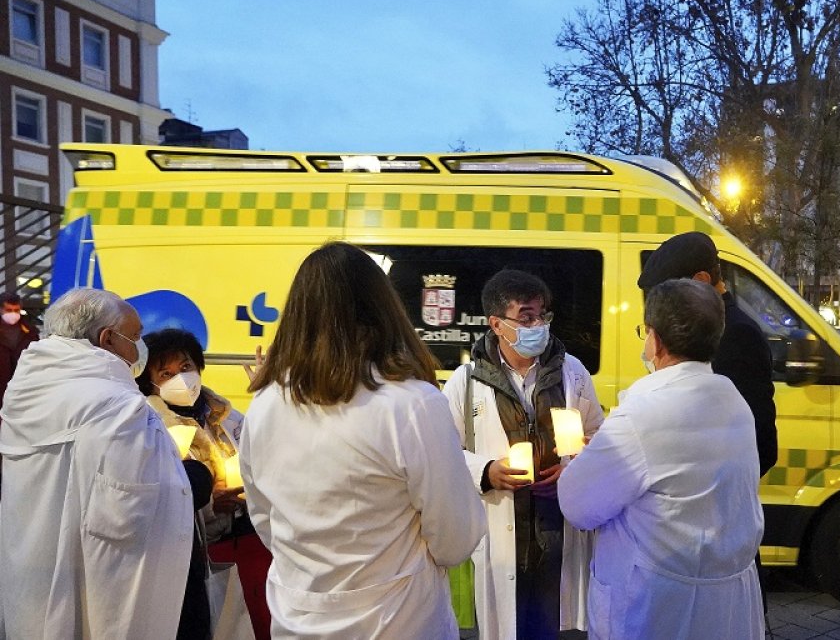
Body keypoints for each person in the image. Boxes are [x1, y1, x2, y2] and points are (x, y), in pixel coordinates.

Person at [241, 242, 485, 639]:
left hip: (298, 616)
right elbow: (455, 538)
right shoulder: (411, 405)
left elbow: (266, 521)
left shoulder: (265, 405)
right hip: (399, 617)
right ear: (382, 309)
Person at [559, 278, 764, 640]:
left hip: (655, 604)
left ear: (655, 340)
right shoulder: (734, 402)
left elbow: (578, 505)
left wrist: (581, 458)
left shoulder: (642, 415)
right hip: (726, 603)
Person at [0, 287, 193, 638]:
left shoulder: (27, 388)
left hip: (28, 564)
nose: (139, 347)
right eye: (135, 336)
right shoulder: (117, 408)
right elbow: (133, 513)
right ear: (107, 339)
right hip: (96, 588)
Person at [442, 269, 603, 640]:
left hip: (557, 533)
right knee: (504, 628)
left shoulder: (572, 372)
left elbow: (596, 435)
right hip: (499, 532)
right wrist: (486, 471)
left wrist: (573, 468)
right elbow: (444, 453)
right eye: (526, 317)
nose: (538, 326)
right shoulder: (464, 382)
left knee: (554, 628)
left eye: (543, 316)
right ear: (496, 324)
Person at [136, 328, 273, 640]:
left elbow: (262, 449)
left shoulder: (222, 412)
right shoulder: (151, 424)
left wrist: (266, 397)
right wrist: (211, 504)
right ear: (150, 382)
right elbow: (162, 493)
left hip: (245, 538)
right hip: (198, 554)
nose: (180, 378)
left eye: (185, 367)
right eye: (166, 372)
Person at [637, 231, 776, 476]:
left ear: (701, 280)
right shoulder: (704, 328)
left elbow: (758, 445)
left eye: (668, 296)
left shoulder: (737, 336)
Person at [0, 292, 39, 409]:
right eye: (8, 310)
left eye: (16, 310)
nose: (13, 313)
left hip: (22, 387)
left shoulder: (30, 332)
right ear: (1, 309)